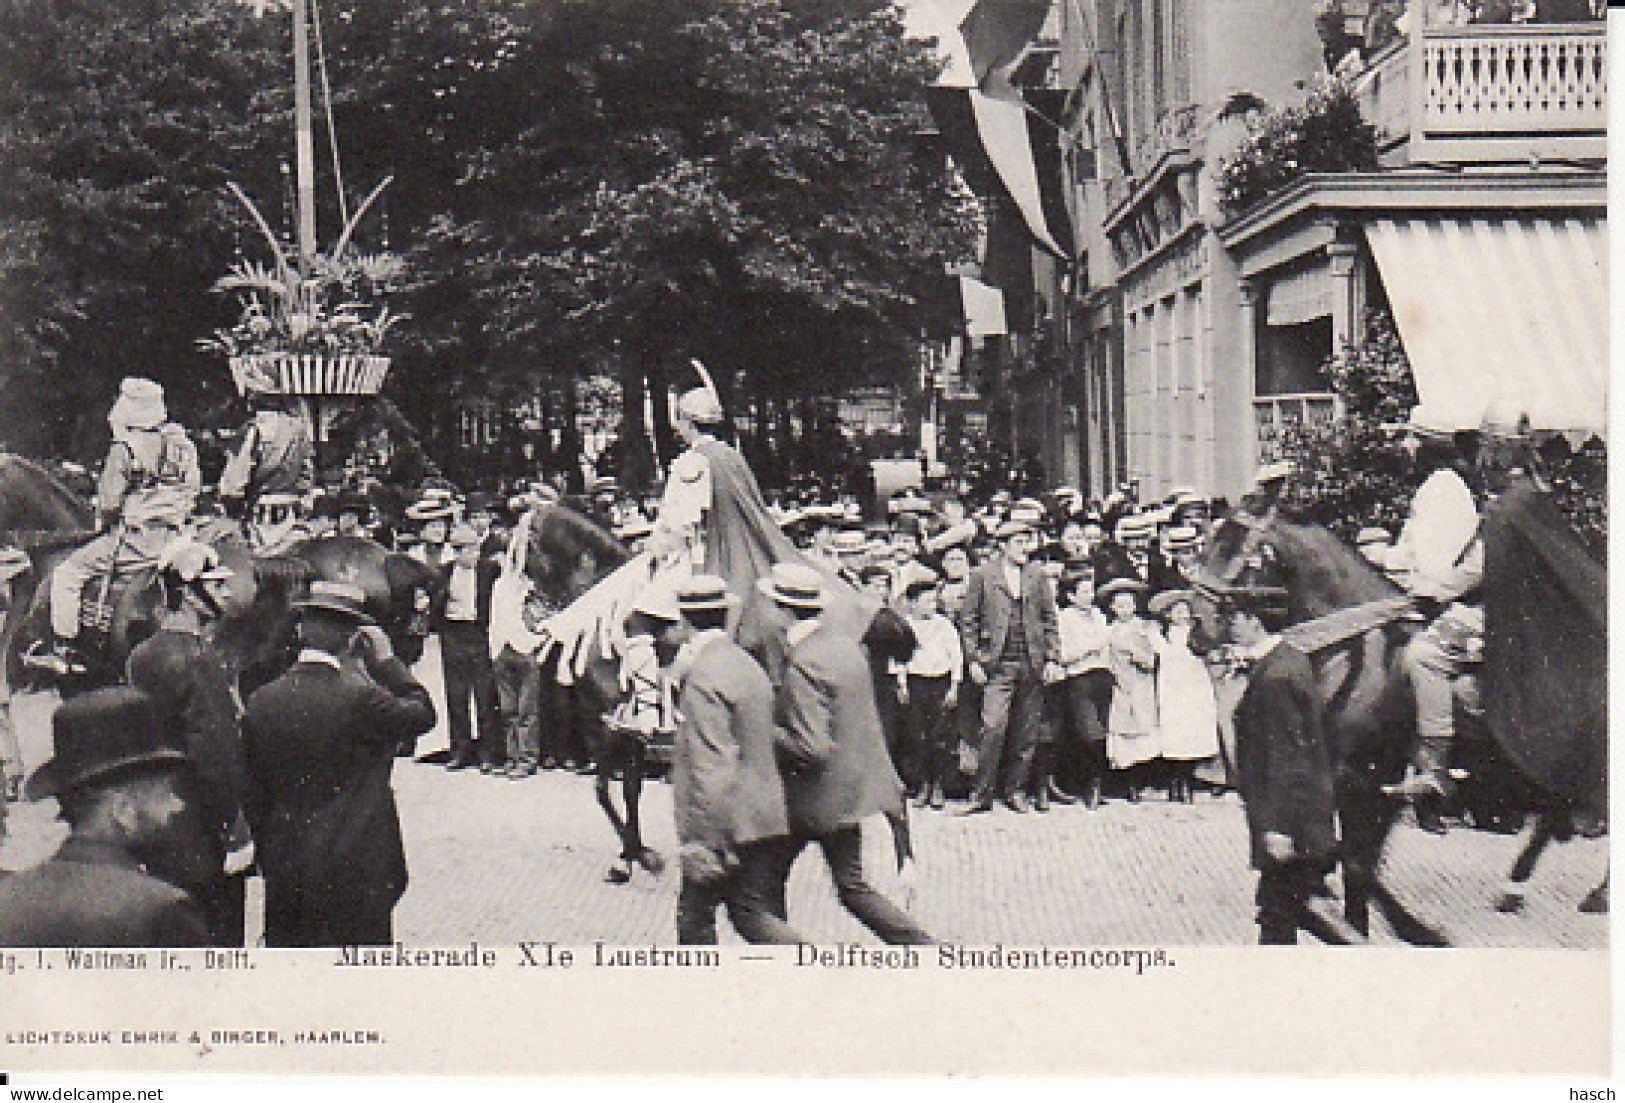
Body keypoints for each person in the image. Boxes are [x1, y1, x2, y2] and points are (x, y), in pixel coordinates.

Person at [241, 581, 436, 947]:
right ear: (352, 640)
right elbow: (423, 713)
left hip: (287, 862)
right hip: (358, 861)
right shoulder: (363, 698)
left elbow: (253, 790)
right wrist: (388, 661)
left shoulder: (262, 700)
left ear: (299, 633)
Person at [766, 564, 931, 944]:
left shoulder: (803, 662)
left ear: (781, 609)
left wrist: (765, 728)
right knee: (853, 888)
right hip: (846, 796)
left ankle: (787, 959)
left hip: (808, 799)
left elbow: (811, 746)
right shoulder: (844, 647)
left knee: (755, 894)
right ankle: (925, 948)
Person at [0, 689, 213, 947]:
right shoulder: (163, 911)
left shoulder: (9, 899)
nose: (176, 805)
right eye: (164, 792)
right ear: (122, 810)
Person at [125, 540, 253, 945]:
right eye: (214, 587)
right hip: (204, 831)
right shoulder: (202, 660)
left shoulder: (142, 656)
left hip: (159, 824)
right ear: (188, 594)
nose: (226, 593)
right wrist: (235, 832)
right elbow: (216, 755)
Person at [1218, 583, 1357, 946]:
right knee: (1282, 913)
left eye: (1235, 619)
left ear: (1254, 622)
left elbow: (1287, 758)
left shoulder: (1276, 678)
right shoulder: (1287, 661)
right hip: (1298, 819)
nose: (1230, 627)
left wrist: (1278, 828)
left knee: (1287, 914)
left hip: (1290, 824)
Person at [671, 575, 803, 945]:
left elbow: (711, 764)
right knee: (751, 914)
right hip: (764, 814)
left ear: (684, 622)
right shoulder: (745, 663)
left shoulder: (703, 676)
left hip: (726, 823)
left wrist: (705, 840)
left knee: (696, 920)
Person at [45, 378, 200, 674]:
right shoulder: (183, 445)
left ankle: (65, 649)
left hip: (136, 541)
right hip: (176, 540)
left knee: (68, 572)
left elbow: (109, 503)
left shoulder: (125, 448)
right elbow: (193, 488)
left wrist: (107, 517)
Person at [1385, 424, 1484, 823]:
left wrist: (1425, 588)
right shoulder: (1433, 488)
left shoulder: (1444, 488)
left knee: (1423, 657)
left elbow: (1444, 564)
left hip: (1467, 606)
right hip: (1439, 594)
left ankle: (1435, 767)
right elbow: (1409, 551)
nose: (1404, 446)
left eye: (1411, 438)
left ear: (1430, 445)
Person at [957, 521, 1062, 814]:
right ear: (1002, 545)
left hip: (1031, 663)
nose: (1024, 548)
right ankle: (981, 794)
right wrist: (974, 660)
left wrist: (1052, 658)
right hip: (997, 665)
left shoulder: (1037, 576)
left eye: (1027, 542)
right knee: (992, 727)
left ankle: (1016, 791)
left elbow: (1049, 619)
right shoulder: (982, 575)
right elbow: (968, 621)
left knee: (1027, 731)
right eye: (1018, 542)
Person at [433, 524, 502, 773]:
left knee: (485, 695)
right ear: (457, 552)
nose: (475, 555)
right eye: (470, 551)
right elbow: (434, 603)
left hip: (478, 633)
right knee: (456, 694)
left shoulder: (490, 571)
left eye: (477, 549)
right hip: (453, 633)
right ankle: (459, 751)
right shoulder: (443, 573)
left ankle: (489, 754)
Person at [489, 515, 547, 780]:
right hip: (503, 650)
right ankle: (512, 756)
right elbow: (493, 619)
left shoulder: (532, 588)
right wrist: (495, 649)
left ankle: (527, 757)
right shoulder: (500, 586)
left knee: (527, 710)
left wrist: (534, 644)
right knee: (508, 709)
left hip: (525, 649)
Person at [896, 577, 962, 811]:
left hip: (940, 683)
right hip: (916, 684)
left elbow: (956, 656)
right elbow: (900, 658)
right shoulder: (904, 625)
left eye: (934, 601)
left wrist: (954, 686)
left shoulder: (943, 625)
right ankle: (922, 784)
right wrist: (902, 684)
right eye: (926, 602)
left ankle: (938, 785)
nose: (931, 606)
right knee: (917, 736)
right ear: (912, 603)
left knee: (940, 736)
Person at [1149, 588, 1219, 804]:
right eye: (1176, 611)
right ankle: (1174, 783)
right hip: (1172, 686)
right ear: (1169, 614)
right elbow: (1161, 653)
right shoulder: (1162, 634)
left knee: (1191, 733)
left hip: (1193, 685)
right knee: (1172, 732)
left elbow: (1205, 649)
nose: (1181, 615)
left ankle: (1187, 782)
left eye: (1184, 611)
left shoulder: (1197, 632)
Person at [1051, 569, 1112, 809]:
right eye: (1084, 591)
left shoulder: (1098, 615)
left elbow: (1108, 645)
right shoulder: (1065, 618)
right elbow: (1064, 654)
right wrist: (1091, 647)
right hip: (1080, 678)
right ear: (1071, 596)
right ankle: (1088, 786)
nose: (1090, 596)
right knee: (1089, 732)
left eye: (1091, 590)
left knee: (1104, 731)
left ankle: (1097, 784)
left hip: (1102, 676)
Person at [218, 373, 314, 523]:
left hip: (261, 514)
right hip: (291, 513)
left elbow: (235, 479)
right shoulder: (298, 428)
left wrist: (229, 505)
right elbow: (307, 473)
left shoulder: (255, 429)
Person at [1101, 577, 1159, 802]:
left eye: (1129, 605)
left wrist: (1137, 655)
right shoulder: (1109, 630)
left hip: (1141, 684)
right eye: (1120, 605)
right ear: (1113, 608)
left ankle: (1141, 780)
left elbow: (1152, 659)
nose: (1125, 610)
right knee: (1122, 732)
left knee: (1143, 732)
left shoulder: (1143, 629)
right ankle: (1126, 783)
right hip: (1120, 684)